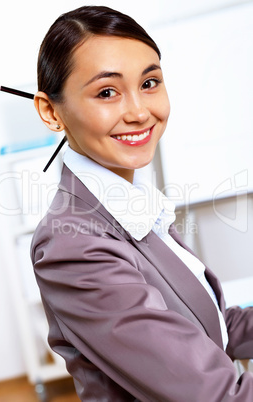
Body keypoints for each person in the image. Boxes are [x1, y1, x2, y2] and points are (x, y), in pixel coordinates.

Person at [31, 6, 253, 401]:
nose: (139, 112)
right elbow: (216, 395)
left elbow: (215, 327)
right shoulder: (74, 244)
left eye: (149, 83)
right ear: (51, 112)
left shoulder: (134, 205)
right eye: (107, 92)